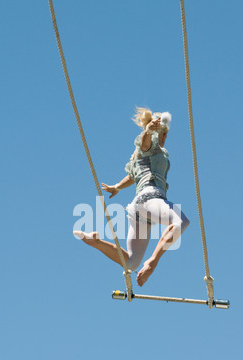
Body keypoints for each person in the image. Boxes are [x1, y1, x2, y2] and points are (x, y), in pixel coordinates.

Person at [74, 107, 190, 287]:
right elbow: (144, 143)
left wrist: (117, 187)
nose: (165, 138)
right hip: (149, 198)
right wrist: (149, 131)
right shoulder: (148, 145)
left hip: (141, 209)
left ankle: (94, 241)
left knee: (131, 263)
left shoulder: (143, 156)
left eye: (165, 134)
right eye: (163, 134)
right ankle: (152, 262)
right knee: (181, 221)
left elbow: (132, 176)